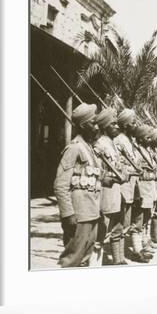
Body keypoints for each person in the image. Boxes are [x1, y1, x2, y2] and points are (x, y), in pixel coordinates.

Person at [54, 103, 113, 267]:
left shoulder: (89, 148)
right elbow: (60, 184)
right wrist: (68, 213)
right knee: (72, 258)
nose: (96, 126)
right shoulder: (74, 149)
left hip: (92, 211)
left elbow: (90, 173)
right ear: (82, 125)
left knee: (86, 257)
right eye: (93, 123)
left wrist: (105, 179)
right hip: (79, 213)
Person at [113, 108, 150, 263]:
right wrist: (135, 170)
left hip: (133, 188)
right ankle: (117, 258)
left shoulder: (130, 141)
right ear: (126, 125)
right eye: (133, 122)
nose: (136, 125)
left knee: (131, 222)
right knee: (120, 224)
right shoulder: (119, 141)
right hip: (123, 189)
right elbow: (116, 165)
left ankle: (134, 251)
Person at [93, 107, 128, 265]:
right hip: (105, 194)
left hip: (116, 194)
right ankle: (95, 264)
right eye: (113, 124)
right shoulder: (99, 145)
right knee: (100, 234)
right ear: (105, 125)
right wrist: (109, 178)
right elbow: (95, 171)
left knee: (118, 229)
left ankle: (117, 260)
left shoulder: (112, 143)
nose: (117, 126)